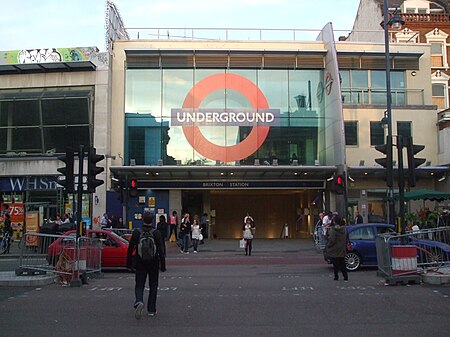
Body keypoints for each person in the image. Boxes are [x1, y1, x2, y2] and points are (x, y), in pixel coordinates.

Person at [127, 212, 166, 320]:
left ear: (142, 219)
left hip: (140, 261)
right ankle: (151, 310)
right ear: (153, 220)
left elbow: (130, 249)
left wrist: (129, 263)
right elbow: (161, 250)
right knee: (153, 285)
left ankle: (139, 301)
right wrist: (162, 265)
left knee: (139, 284)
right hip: (153, 262)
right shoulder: (156, 233)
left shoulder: (137, 232)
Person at [325, 215, 348, 281]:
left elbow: (332, 240)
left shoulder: (333, 230)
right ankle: (345, 276)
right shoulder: (344, 229)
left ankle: (336, 276)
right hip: (342, 249)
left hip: (335, 249)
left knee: (335, 264)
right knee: (342, 263)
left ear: (334, 222)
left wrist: (328, 245)